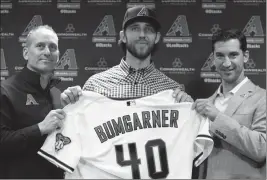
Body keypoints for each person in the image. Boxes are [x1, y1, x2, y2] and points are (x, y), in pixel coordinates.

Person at [61, 6, 192, 106]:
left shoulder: (173, 92)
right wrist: (71, 103)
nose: (142, 34)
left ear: (157, 37)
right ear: (123, 36)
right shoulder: (95, 85)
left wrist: (188, 108)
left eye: (149, 29)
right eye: (135, 28)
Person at [192, 29, 266, 179]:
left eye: (233, 55)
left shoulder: (262, 97)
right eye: (220, 56)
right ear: (213, 58)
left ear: (245, 56)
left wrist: (217, 117)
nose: (226, 63)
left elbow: (261, 149)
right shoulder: (206, 104)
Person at [0, 25, 66, 178]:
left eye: (53, 47)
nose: (47, 52)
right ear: (25, 53)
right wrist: (40, 128)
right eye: (40, 46)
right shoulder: (5, 91)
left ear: (58, 55)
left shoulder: (57, 95)